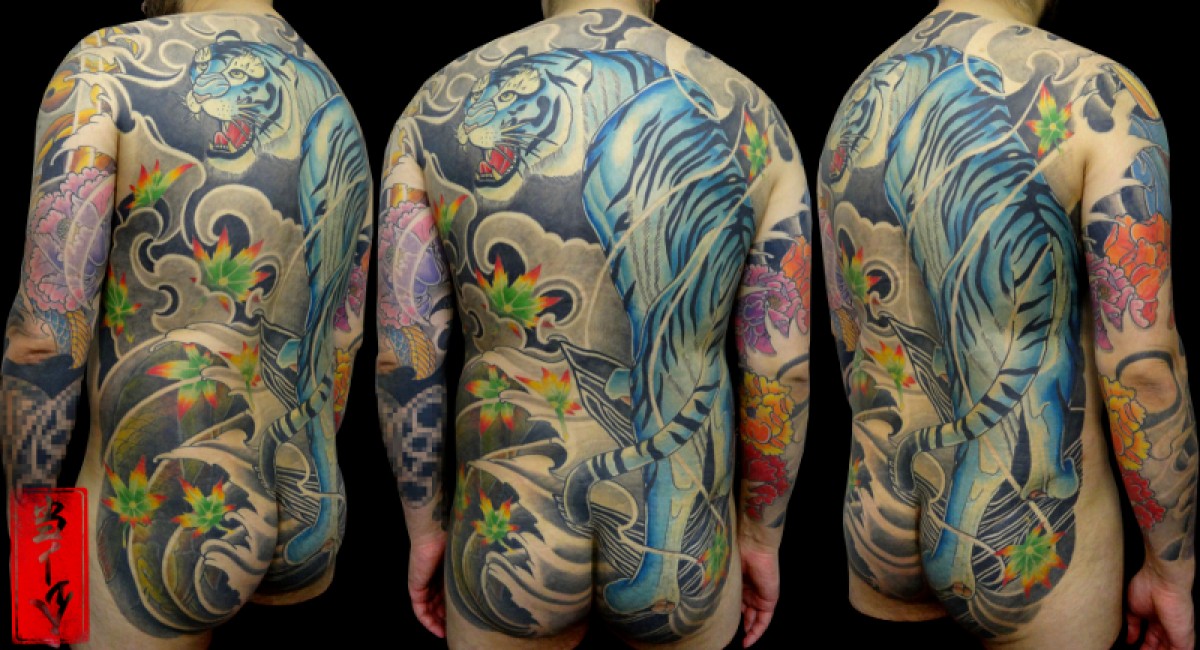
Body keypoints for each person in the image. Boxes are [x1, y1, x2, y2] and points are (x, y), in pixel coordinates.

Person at [374, 0, 811, 647]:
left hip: (510, 530)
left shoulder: (434, 105)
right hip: (683, 545)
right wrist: (760, 538)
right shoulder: (754, 114)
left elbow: (405, 351)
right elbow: (778, 367)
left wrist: (424, 528)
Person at [818, 0, 1196, 648]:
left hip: (877, 524)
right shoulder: (1100, 97)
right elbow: (1145, 371)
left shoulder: (858, 101)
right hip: (1020, 535)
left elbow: (851, 336)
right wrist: (1170, 570)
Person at [2, 0, 371, 646]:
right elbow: (345, 340)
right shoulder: (336, 99)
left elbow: (43, 339)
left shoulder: (108, 65)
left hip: (167, 511)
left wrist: (31, 545)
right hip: (312, 510)